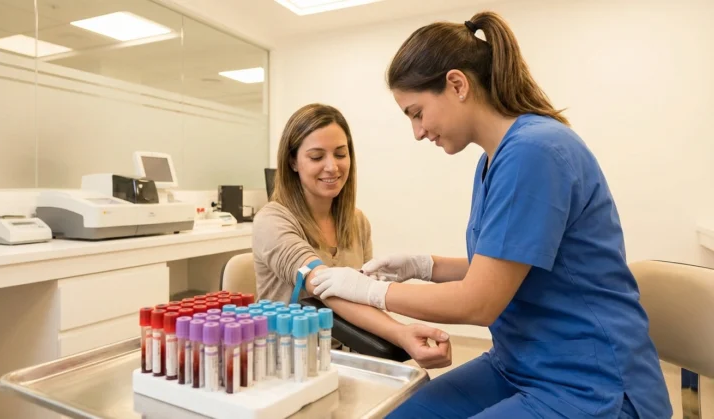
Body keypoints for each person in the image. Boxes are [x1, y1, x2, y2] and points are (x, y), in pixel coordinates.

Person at [309, 12, 673, 419]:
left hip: (588, 380)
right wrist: (423, 266)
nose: (417, 131)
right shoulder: (492, 162)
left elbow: (479, 302)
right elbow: (504, 267)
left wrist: (369, 291)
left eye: (417, 112)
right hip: (518, 363)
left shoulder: (534, 152)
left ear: (457, 84)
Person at [252, 103, 452, 369]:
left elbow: (362, 295)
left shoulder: (356, 222)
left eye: (340, 154)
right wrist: (399, 333)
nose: (332, 167)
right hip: (287, 362)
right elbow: (322, 285)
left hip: (345, 357)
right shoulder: (272, 221)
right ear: (293, 162)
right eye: (316, 157)